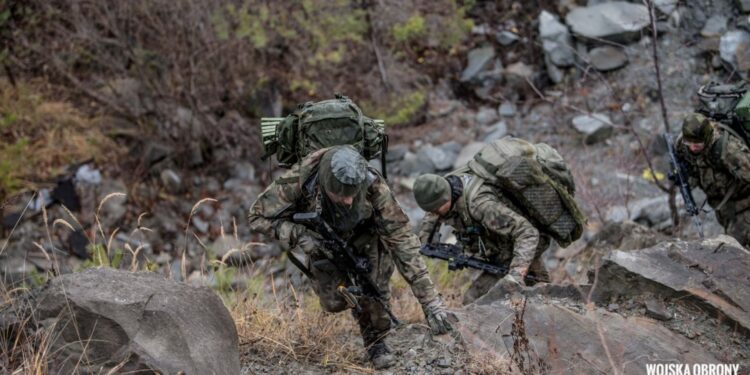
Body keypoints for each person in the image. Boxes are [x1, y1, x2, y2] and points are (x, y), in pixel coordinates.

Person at [248, 145, 455, 369]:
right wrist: (299, 235)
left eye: (352, 194)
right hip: (320, 241)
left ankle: (376, 342)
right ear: (325, 186)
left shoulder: (374, 185)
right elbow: (257, 216)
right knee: (334, 303)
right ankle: (359, 308)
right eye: (341, 195)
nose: (348, 201)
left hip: (367, 236)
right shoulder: (297, 181)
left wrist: (430, 302)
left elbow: (402, 240)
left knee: (375, 294)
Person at [413, 173, 550, 304]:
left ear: (446, 198)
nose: (434, 213)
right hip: (499, 250)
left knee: (540, 297)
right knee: (473, 299)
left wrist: (515, 275)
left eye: (437, 210)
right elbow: (431, 217)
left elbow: (528, 232)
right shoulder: (444, 189)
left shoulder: (480, 206)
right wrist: (426, 243)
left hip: (521, 249)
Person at [675, 113, 750, 246]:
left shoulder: (728, 150)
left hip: (744, 205)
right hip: (722, 208)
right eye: (689, 142)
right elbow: (680, 160)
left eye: (697, 143)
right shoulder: (682, 144)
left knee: (736, 250)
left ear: (707, 137)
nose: (692, 147)